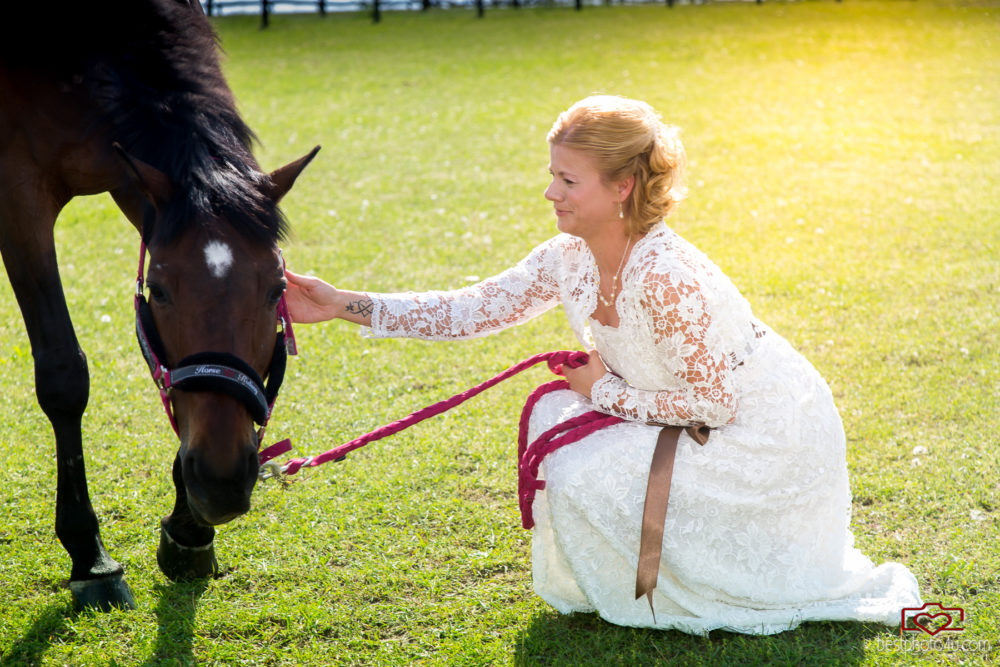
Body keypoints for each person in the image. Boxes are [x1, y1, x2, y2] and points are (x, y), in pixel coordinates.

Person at [284, 95, 920, 635]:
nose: (549, 192)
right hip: (684, 408)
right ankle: (644, 577)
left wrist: (603, 391)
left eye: (568, 180)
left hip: (765, 436)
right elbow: (470, 310)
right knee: (559, 429)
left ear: (623, 187)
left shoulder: (666, 276)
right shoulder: (569, 255)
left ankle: (686, 585)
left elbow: (714, 405)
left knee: (583, 461)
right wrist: (341, 304)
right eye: (553, 176)